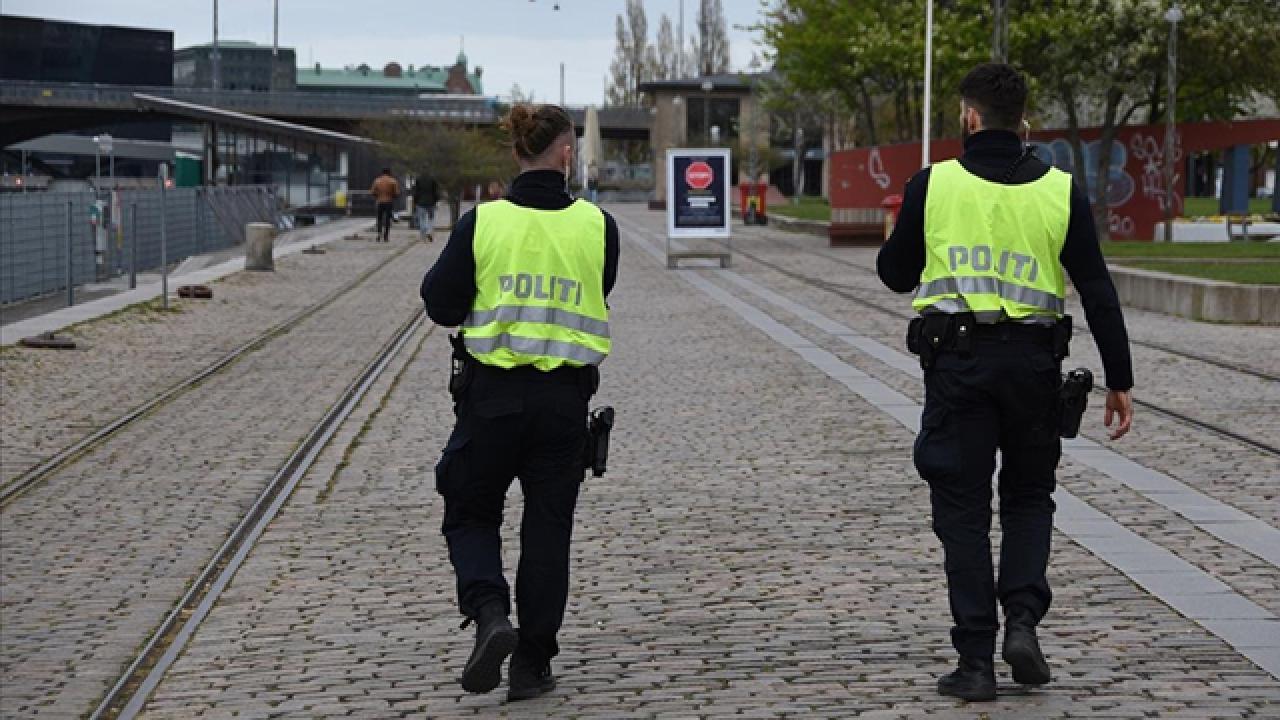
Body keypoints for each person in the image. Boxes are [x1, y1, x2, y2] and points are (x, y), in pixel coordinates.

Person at [876, 63, 1134, 702]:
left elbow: (894, 273)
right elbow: (1098, 289)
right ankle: (1022, 620)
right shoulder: (1060, 191)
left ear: (968, 117)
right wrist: (1119, 380)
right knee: (1028, 496)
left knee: (962, 511)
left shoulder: (932, 186)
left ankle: (975, 662)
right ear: (1024, 122)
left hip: (958, 370)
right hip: (1034, 369)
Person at [420, 103, 619, 702]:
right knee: (548, 530)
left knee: (470, 510)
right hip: (563, 405)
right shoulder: (597, 224)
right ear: (566, 155)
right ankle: (532, 663)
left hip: (492, 400)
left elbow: (440, 305)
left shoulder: (483, 224)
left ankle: (489, 614)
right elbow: (599, 288)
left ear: (515, 154)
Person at [370, 167, 400, 242]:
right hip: (389, 202)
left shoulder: (377, 180)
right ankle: (386, 236)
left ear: (382, 173)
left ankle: (379, 234)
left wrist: (378, 196)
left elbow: (372, 192)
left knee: (379, 218)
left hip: (379, 201)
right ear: (389, 173)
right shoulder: (393, 181)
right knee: (387, 219)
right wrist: (392, 195)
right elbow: (396, 193)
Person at [413, 173, 440, 242]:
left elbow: (416, 192)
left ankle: (423, 234)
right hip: (431, 202)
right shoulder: (433, 180)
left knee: (422, 219)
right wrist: (436, 200)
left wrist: (415, 201)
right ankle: (429, 231)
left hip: (421, 202)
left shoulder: (418, 180)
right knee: (431, 218)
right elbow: (436, 192)